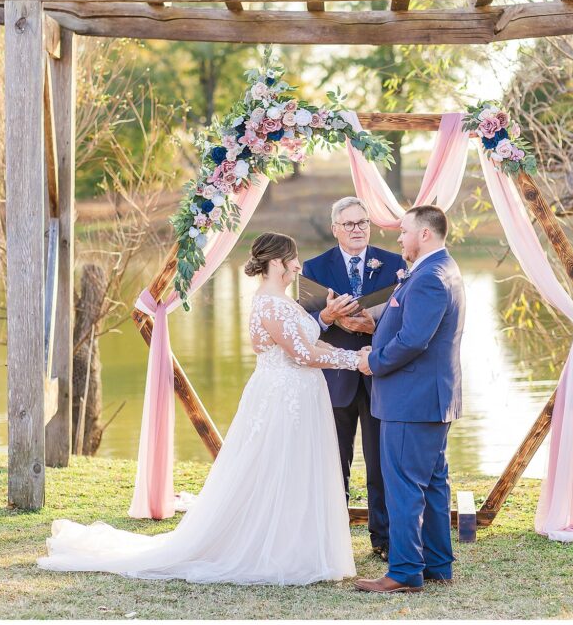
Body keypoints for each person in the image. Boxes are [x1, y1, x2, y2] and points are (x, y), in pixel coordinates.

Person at [38, 233, 358, 585]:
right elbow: (301, 354)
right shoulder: (270, 304)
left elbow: (304, 337)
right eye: (294, 259)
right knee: (276, 467)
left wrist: (325, 317)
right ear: (278, 262)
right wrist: (356, 359)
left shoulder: (281, 301)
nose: (298, 266)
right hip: (284, 399)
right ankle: (276, 548)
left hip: (293, 394)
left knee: (292, 467)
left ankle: (298, 544)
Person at [353, 206, 466, 594]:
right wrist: (378, 324)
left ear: (424, 235)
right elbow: (409, 324)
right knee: (433, 482)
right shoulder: (440, 270)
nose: (398, 239)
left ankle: (403, 571)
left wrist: (374, 361)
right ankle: (437, 563)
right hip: (429, 398)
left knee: (402, 485)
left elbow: (415, 339)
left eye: (403, 232)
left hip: (412, 400)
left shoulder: (430, 277)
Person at [300, 197, 406, 562]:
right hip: (335, 379)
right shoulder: (314, 268)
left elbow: (406, 319)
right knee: (333, 462)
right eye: (349, 224)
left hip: (381, 375)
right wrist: (329, 317)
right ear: (335, 229)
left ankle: (385, 538)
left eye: (363, 222)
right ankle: (332, 538)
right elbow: (302, 328)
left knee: (381, 462)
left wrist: (374, 326)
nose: (358, 229)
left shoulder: (394, 264)